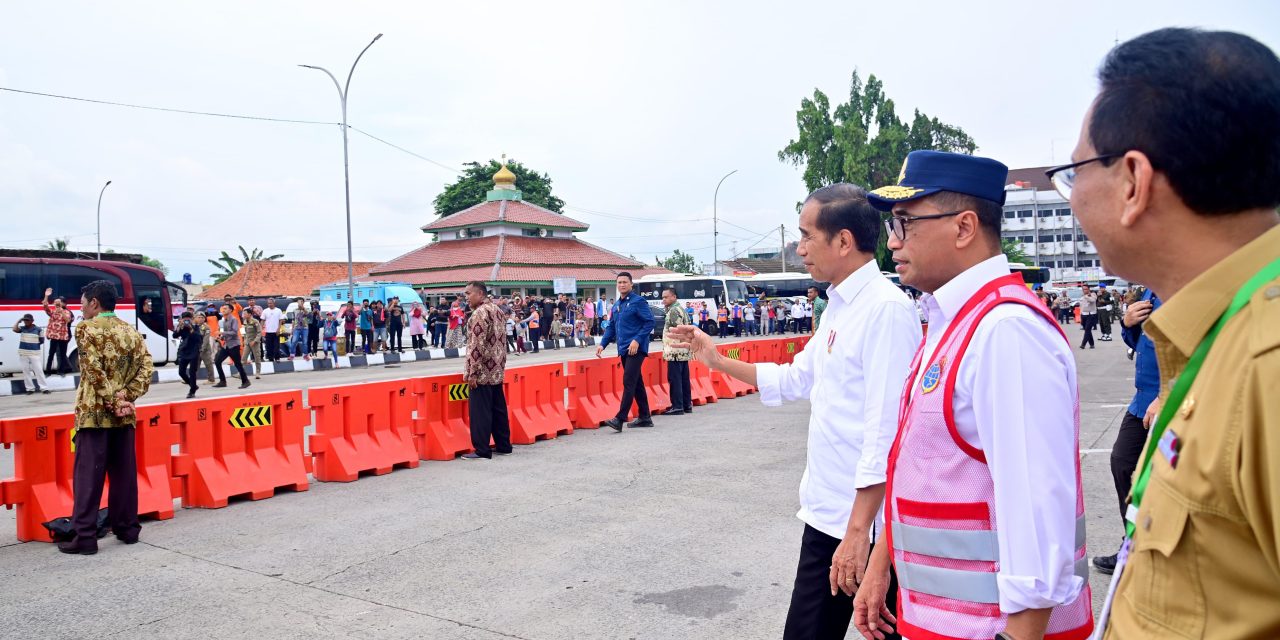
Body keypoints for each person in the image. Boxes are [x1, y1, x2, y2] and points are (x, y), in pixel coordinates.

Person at [1057, 28, 1280, 638]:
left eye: (1073, 173)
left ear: (1134, 182)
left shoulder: (1267, 365)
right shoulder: (1220, 337)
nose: (1072, 200)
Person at [853, 150, 1094, 640]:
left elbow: (1038, 529)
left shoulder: (1005, 332)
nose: (892, 243)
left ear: (964, 227)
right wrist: (884, 565)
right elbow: (922, 470)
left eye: (904, 223)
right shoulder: (950, 321)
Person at [671, 184, 919, 639]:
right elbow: (794, 379)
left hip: (864, 526)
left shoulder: (885, 312)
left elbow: (886, 433)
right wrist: (717, 360)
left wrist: (859, 534)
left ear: (844, 241)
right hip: (829, 515)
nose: (800, 248)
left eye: (807, 236)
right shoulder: (839, 309)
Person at [58, 280, 153, 555]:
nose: (81, 308)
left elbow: (93, 371)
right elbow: (146, 370)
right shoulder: (130, 331)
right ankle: (128, 529)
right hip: (124, 416)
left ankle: (85, 537)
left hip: (95, 415)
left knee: (89, 477)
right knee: (124, 475)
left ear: (95, 303)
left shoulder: (86, 328)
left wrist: (112, 400)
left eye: (83, 303)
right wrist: (126, 398)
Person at [1092, 288, 1162, 576]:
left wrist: (1170, 392)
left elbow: (1204, 348)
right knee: (1122, 463)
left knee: (1168, 475)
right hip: (1143, 399)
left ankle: (1159, 552)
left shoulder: (1183, 285)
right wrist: (1128, 324)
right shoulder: (1150, 290)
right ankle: (1132, 543)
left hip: (1172, 398)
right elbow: (1139, 345)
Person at [596, 272, 657, 432]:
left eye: (625, 282)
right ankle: (645, 417)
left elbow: (649, 322)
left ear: (631, 284)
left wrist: (637, 339)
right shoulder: (616, 305)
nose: (622, 285)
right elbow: (611, 327)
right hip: (623, 349)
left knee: (628, 381)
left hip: (636, 348)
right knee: (637, 383)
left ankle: (620, 418)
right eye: (619, 282)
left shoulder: (638, 301)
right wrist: (603, 344)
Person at [459, 282, 512, 460]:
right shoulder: (497, 310)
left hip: (482, 372)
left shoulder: (479, 313)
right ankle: (504, 445)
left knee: (480, 412)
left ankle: (482, 450)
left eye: (469, 293)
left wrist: (472, 373)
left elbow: (476, 345)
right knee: (498, 410)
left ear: (480, 294)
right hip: (496, 369)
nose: (466, 297)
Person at [659, 288, 693, 416]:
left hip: (675, 350)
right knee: (684, 379)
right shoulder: (681, 309)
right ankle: (686, 405)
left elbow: (677, 330)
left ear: (674, 297)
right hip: (683, 350)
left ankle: (677, 406)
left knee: (675, 379)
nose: (663, 300)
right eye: (662, 297)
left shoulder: (673, 311)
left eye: (666, 297)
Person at [213, 303, 250, 389]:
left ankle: (245, 381)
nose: (223, 310)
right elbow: (227, 334)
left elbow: (234, 332)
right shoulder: (224, 320)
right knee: (217, 361)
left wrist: (222, 333)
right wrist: (221, 336)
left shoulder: (234, 319)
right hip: (226, 345)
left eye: (225, 308)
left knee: (237, 364)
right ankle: (223, 381)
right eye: (223, 308)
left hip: (234, 345)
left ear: (230, 310)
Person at [13, 313, 50, 394]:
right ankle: (30, 389)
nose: (26, 322)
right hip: (23, 353)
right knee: (26, 371)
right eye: (24, 320)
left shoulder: (39, 329)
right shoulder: (22, 328)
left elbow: (41, 341)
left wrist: (32, 345)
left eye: (27, 320)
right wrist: (18, 321)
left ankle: (44, 388)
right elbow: (14, 329)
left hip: (34, 353)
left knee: (38, 371)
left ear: (32, 321)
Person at [41, 288, 74, 375]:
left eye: (59, 302)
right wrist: (46, 296)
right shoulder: (53, 312)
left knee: (62, 354)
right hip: (54, 335)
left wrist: (62, 312)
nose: (58, 304)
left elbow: (68, 320)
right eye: (56, 302)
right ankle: (48, 371)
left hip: (63, 336)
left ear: (64, 303)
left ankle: (61, 371)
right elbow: (45, 306)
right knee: (51, 354)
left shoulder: (67, 311)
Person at [172, 311, 201, 398]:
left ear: (191, 320)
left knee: (192, 372)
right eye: (185, 320)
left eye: (188, 320)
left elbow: (198, 338)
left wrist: (191, 329)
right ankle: (193, 386)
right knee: (181, 372)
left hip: (194, 351)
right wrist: (179, 327)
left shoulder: (195, 327)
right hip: (185, 351)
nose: (186, 322)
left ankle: (192, 391)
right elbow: (174, 335)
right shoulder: (181, 327)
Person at [240, 308, 263, 380]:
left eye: (245, 313)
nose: (243, 315)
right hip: (247, 342)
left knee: (257, 358)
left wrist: (255, 341)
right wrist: (245, 340)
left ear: (249, 314)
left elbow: (259, 332)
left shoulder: (255, 321)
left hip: (255, 343)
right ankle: (241, 373)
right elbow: (246, 332)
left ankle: (258, 373)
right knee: (243, 358)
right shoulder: (245, 321)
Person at [195, 311, 216, 383]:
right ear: (195, 318)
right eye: (199, 317)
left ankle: (211, 379)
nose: (200, 319)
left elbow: (206, 339)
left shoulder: (206, 327)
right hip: (196, 349)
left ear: (204, 319)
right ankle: (192, 378)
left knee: (208, 364)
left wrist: (202, 348)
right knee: (195, 365)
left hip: (205, 349)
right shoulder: (194, 326)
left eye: (202, 317)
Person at [1079, 284, 1098, 349]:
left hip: (1091, 315)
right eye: (1083, 289)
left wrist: (1086, 296)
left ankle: (1083, 344)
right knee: (1087, 330)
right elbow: (1081, 306)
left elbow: (1093, 300)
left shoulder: (1093, 294)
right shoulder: (1082, 296)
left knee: (1087, 329)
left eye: (1086, 289)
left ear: (1089, 289)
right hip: (1083, 315)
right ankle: (1092, 344)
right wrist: (1080, 314)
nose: (1084, 290)